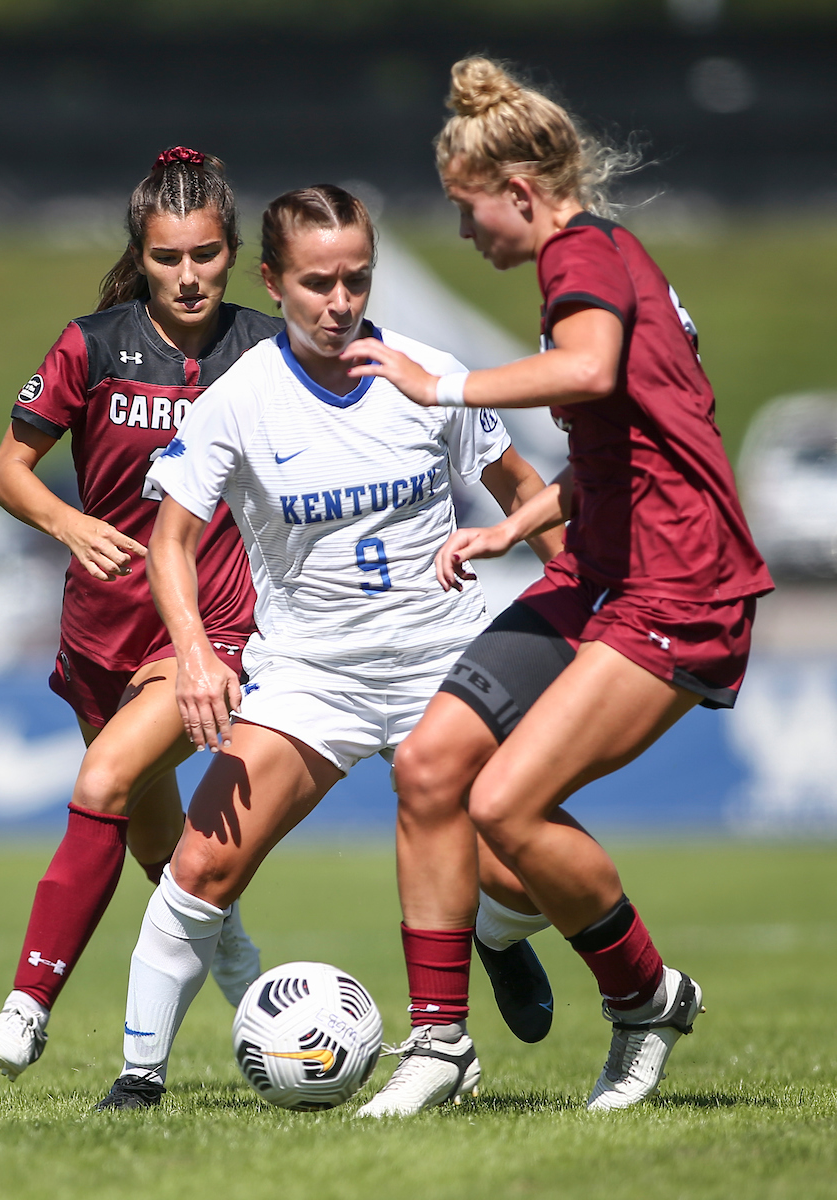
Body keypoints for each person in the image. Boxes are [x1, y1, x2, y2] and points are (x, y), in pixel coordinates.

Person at [342, 57, 774, 1117]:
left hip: (681, 584)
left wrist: (437, 382)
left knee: (506, 804)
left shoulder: (582, 256)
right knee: (435, 764)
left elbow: (586, 371)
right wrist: (522, 523)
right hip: (601, 569)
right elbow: (615, 443)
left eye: (468, 210)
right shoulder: (602, 256)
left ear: (522, 195)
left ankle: (644, 1000)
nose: (467, 234)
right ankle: (440, 1045)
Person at [93, 183, 565, 1110]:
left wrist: (585, 612)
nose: (339, 301)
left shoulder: (428, 372)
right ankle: (137, 1084)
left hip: (447, 668)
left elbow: (525, 490)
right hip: (312, 676)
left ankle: (499, 934)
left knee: (528, 869)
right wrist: (193, 653)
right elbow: (171, 542)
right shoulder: (239, 402)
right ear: (271, 282)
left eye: (355, 278)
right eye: (316, 282)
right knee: (202, 864)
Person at [0, 147, 282, 1082]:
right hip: (99, 633)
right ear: (139, 257)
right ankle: (231, 954)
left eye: (207, 255)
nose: (189, 276)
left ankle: (29, 1007)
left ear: (233, 252)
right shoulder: (92, 346)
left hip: (210, 627)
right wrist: (71, 525)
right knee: (151, 831)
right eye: (167, 258)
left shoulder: (269, 349)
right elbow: (5, 472)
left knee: (104, 776)